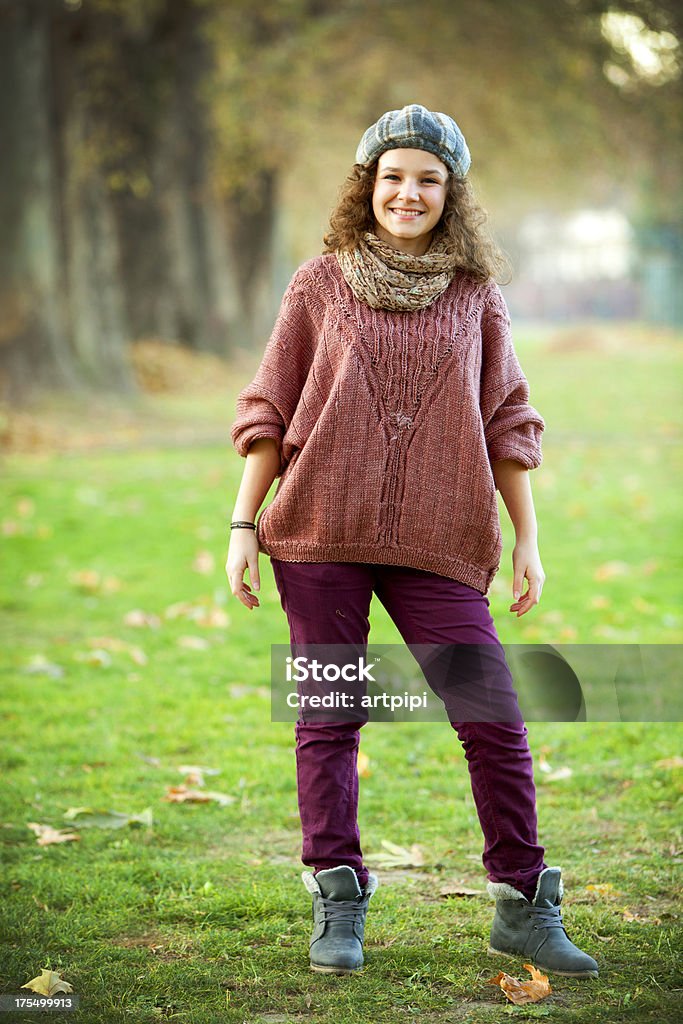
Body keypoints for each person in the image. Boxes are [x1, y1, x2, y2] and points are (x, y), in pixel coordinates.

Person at [227, 104, 598, 980]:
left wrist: (527, 542)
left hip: (440, 533)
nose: (408, 192)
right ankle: (339, 895)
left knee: (491, 713)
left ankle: (521, 903)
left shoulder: (477, 297)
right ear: (368, 185)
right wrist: (243, 523)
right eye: (393, 176)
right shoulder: (318, 284)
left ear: (450, 194)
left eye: (427, 179)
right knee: (329, 715)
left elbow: (508, 420)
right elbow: (270, 407)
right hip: (318, 530)